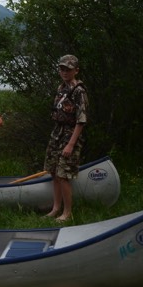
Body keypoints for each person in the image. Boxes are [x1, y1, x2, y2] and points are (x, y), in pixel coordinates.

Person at [44, 54, 88, 222]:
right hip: (57, 133)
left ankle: (67, 213)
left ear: (76, 70)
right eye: (62, 69)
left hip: (70, 135)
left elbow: (81, 121)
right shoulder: (61, 87)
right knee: (54, 172)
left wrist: (70, 144)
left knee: (63, 175)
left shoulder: (79, 91)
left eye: (68, 69)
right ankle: (56, 208)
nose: (64, 72)